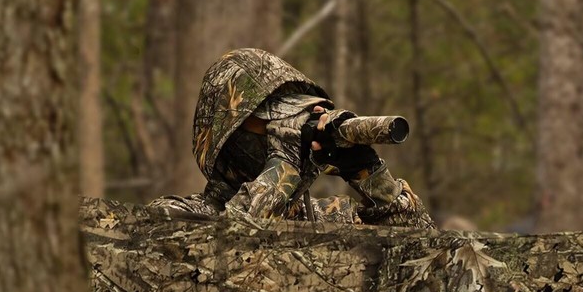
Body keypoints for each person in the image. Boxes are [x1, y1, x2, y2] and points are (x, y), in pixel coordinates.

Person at [150, 48, 434, 228]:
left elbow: (430, 260)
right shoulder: (178, 216)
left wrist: (370, 175)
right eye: (271, 124)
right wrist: (282, 166)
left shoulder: (333, 218)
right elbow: (231, 251)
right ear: (231, 137)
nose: (291, 134)